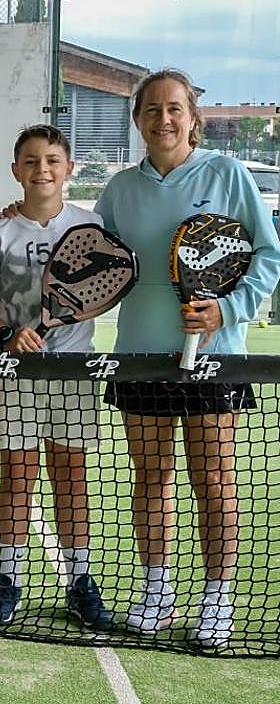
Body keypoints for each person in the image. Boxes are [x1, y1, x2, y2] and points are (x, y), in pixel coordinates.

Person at [94, 69, 280, 649]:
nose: (164, 119)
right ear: (139, 119)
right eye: (152, 110)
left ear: (192, 117)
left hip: (214, 359)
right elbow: (95, 262)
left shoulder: (228, 174)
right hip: (139, 355)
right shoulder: (119, 190)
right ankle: (156, 590)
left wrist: (227, 312)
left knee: (214, 480)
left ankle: (216, 601)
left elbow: (267, 256)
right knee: (150, 478)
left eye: (175, 109)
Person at [0, 125, 114, 630]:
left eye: (52, 160)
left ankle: (79, 580)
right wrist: (7, 334)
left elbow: (111, 277)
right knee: (17, 476)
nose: (42, 169)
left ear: (69, 169)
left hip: (74, 372)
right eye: (30, 161)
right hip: (16, 376)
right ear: (16, 171)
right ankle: (8, 579)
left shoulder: (91, 225)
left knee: (72, 476)